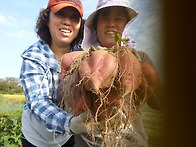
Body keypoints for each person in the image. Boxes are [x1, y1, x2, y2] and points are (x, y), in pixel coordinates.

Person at [74, 0, 161, 146]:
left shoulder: (140, 58)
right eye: (105, 18)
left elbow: (160, 104)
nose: (111, 24)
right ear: (95, 26)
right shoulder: (81, 60)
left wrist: (145, 85)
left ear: (126, 24)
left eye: (118, 19)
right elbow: (72, 105)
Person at [19, 0, 89, 146]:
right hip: (37, 138)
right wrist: (70, 123)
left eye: (74, 18)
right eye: (60, 14)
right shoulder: (33, 56)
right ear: (47, 18)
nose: (67, 22)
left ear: (80, 25)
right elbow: (38, 101)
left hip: (67, 136)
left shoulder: (84, 55)